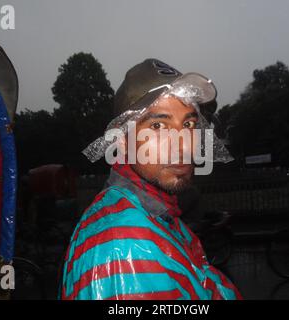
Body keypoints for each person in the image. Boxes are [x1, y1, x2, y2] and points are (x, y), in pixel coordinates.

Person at [60, 58, 241, 300]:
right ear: (123, 140)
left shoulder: (158, 213)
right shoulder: (128, 245)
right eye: (158, 125)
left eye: (188, 124)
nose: (182, 145)